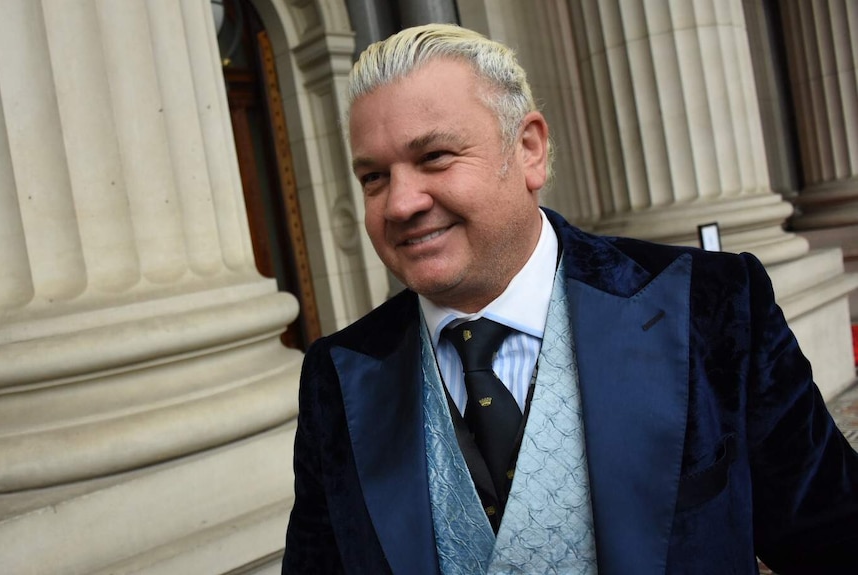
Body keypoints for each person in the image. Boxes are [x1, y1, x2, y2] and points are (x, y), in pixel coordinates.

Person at [282, 23, 858, 574]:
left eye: (434, 157)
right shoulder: (339, 375)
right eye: (374, 178)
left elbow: (833, 537)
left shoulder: (710, 305)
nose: (400, 203)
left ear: (529, 149)